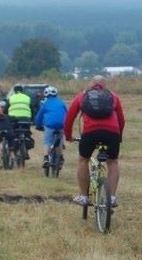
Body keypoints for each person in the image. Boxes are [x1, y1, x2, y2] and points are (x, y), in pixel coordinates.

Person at [64, 75, 125, 208]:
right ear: (105, 85)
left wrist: (68, 136)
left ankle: (84, 197)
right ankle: (112, 198)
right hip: (112, 132)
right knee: (113, 162)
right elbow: (121, 119)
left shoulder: (82, 96)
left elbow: (69, 117)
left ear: (91, 84)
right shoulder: (113, 96)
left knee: (83, 160)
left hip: (90, 132)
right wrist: (118, 136)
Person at [34, 86, 67, 168]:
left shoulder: (45, 104)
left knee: (47, 142)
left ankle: (46, 158)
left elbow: (39, 117)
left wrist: (38, 126)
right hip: (61, 125)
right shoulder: (62, 103)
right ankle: (61, 157)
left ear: (46, 95)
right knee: (60, 141)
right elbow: (68, 113)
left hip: (50, 125)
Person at [7, 84, 33, 158]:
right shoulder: (27, 98)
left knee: (13, 133)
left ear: (14, 91)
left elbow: (6, 109)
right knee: (27, 133)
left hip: (13, 119)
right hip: (26, 118)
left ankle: (13, 147)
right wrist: (31, 119)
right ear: (22, 91)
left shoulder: (11, 98)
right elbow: (31, 109)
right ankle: (26, 150)